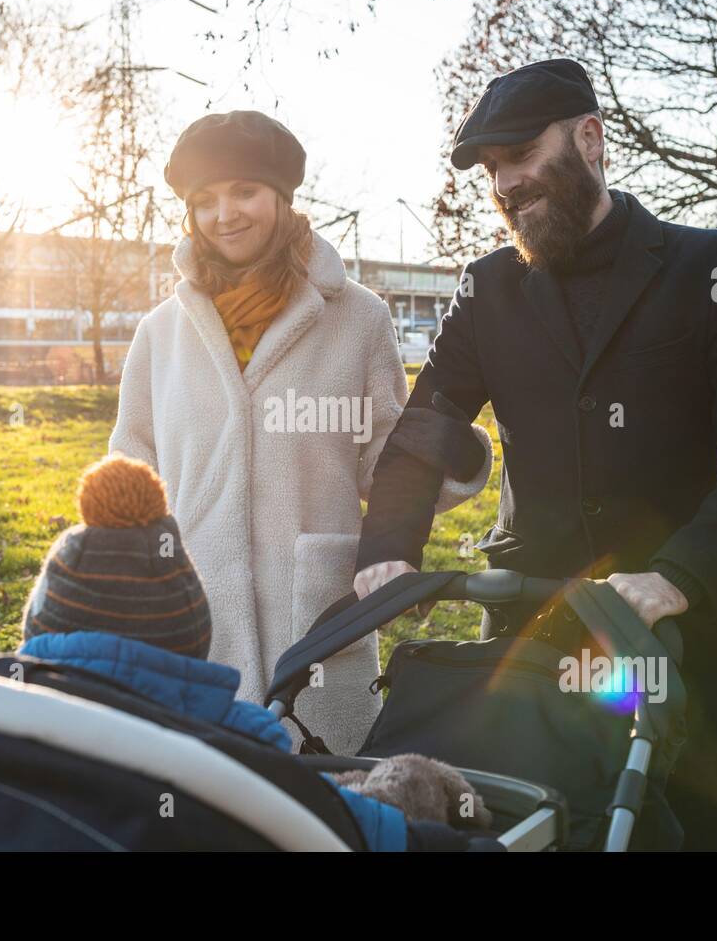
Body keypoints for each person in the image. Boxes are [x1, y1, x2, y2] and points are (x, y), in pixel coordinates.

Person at [353, 59, 717, 850]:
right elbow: (426, 426)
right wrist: (390, 550)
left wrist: (679, 576)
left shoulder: (712, 268)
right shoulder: (485, 290)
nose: (505, 185)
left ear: (591, 139)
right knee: (541, 825)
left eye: (521, 156)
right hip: (534, 629)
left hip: (673, 630)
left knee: (692, 829)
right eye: (492, 171)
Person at [109, 111, 492, 754]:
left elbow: (383, 456)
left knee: (327, 795)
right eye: (205, 201)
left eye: (244, 192)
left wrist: (448, 453)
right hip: (195, 611)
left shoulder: (358, 318)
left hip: (318, 614)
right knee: (211, 794)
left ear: (282, 198)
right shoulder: (160, 333)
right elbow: (131, 457)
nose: (224, 214)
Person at [18, 453, 493, 850]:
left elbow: (388, 453)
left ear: (37, 624)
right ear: (191, 631)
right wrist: (416, 783)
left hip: (308, 605)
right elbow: (357, 828)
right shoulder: (239, 755)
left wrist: (448, 458)